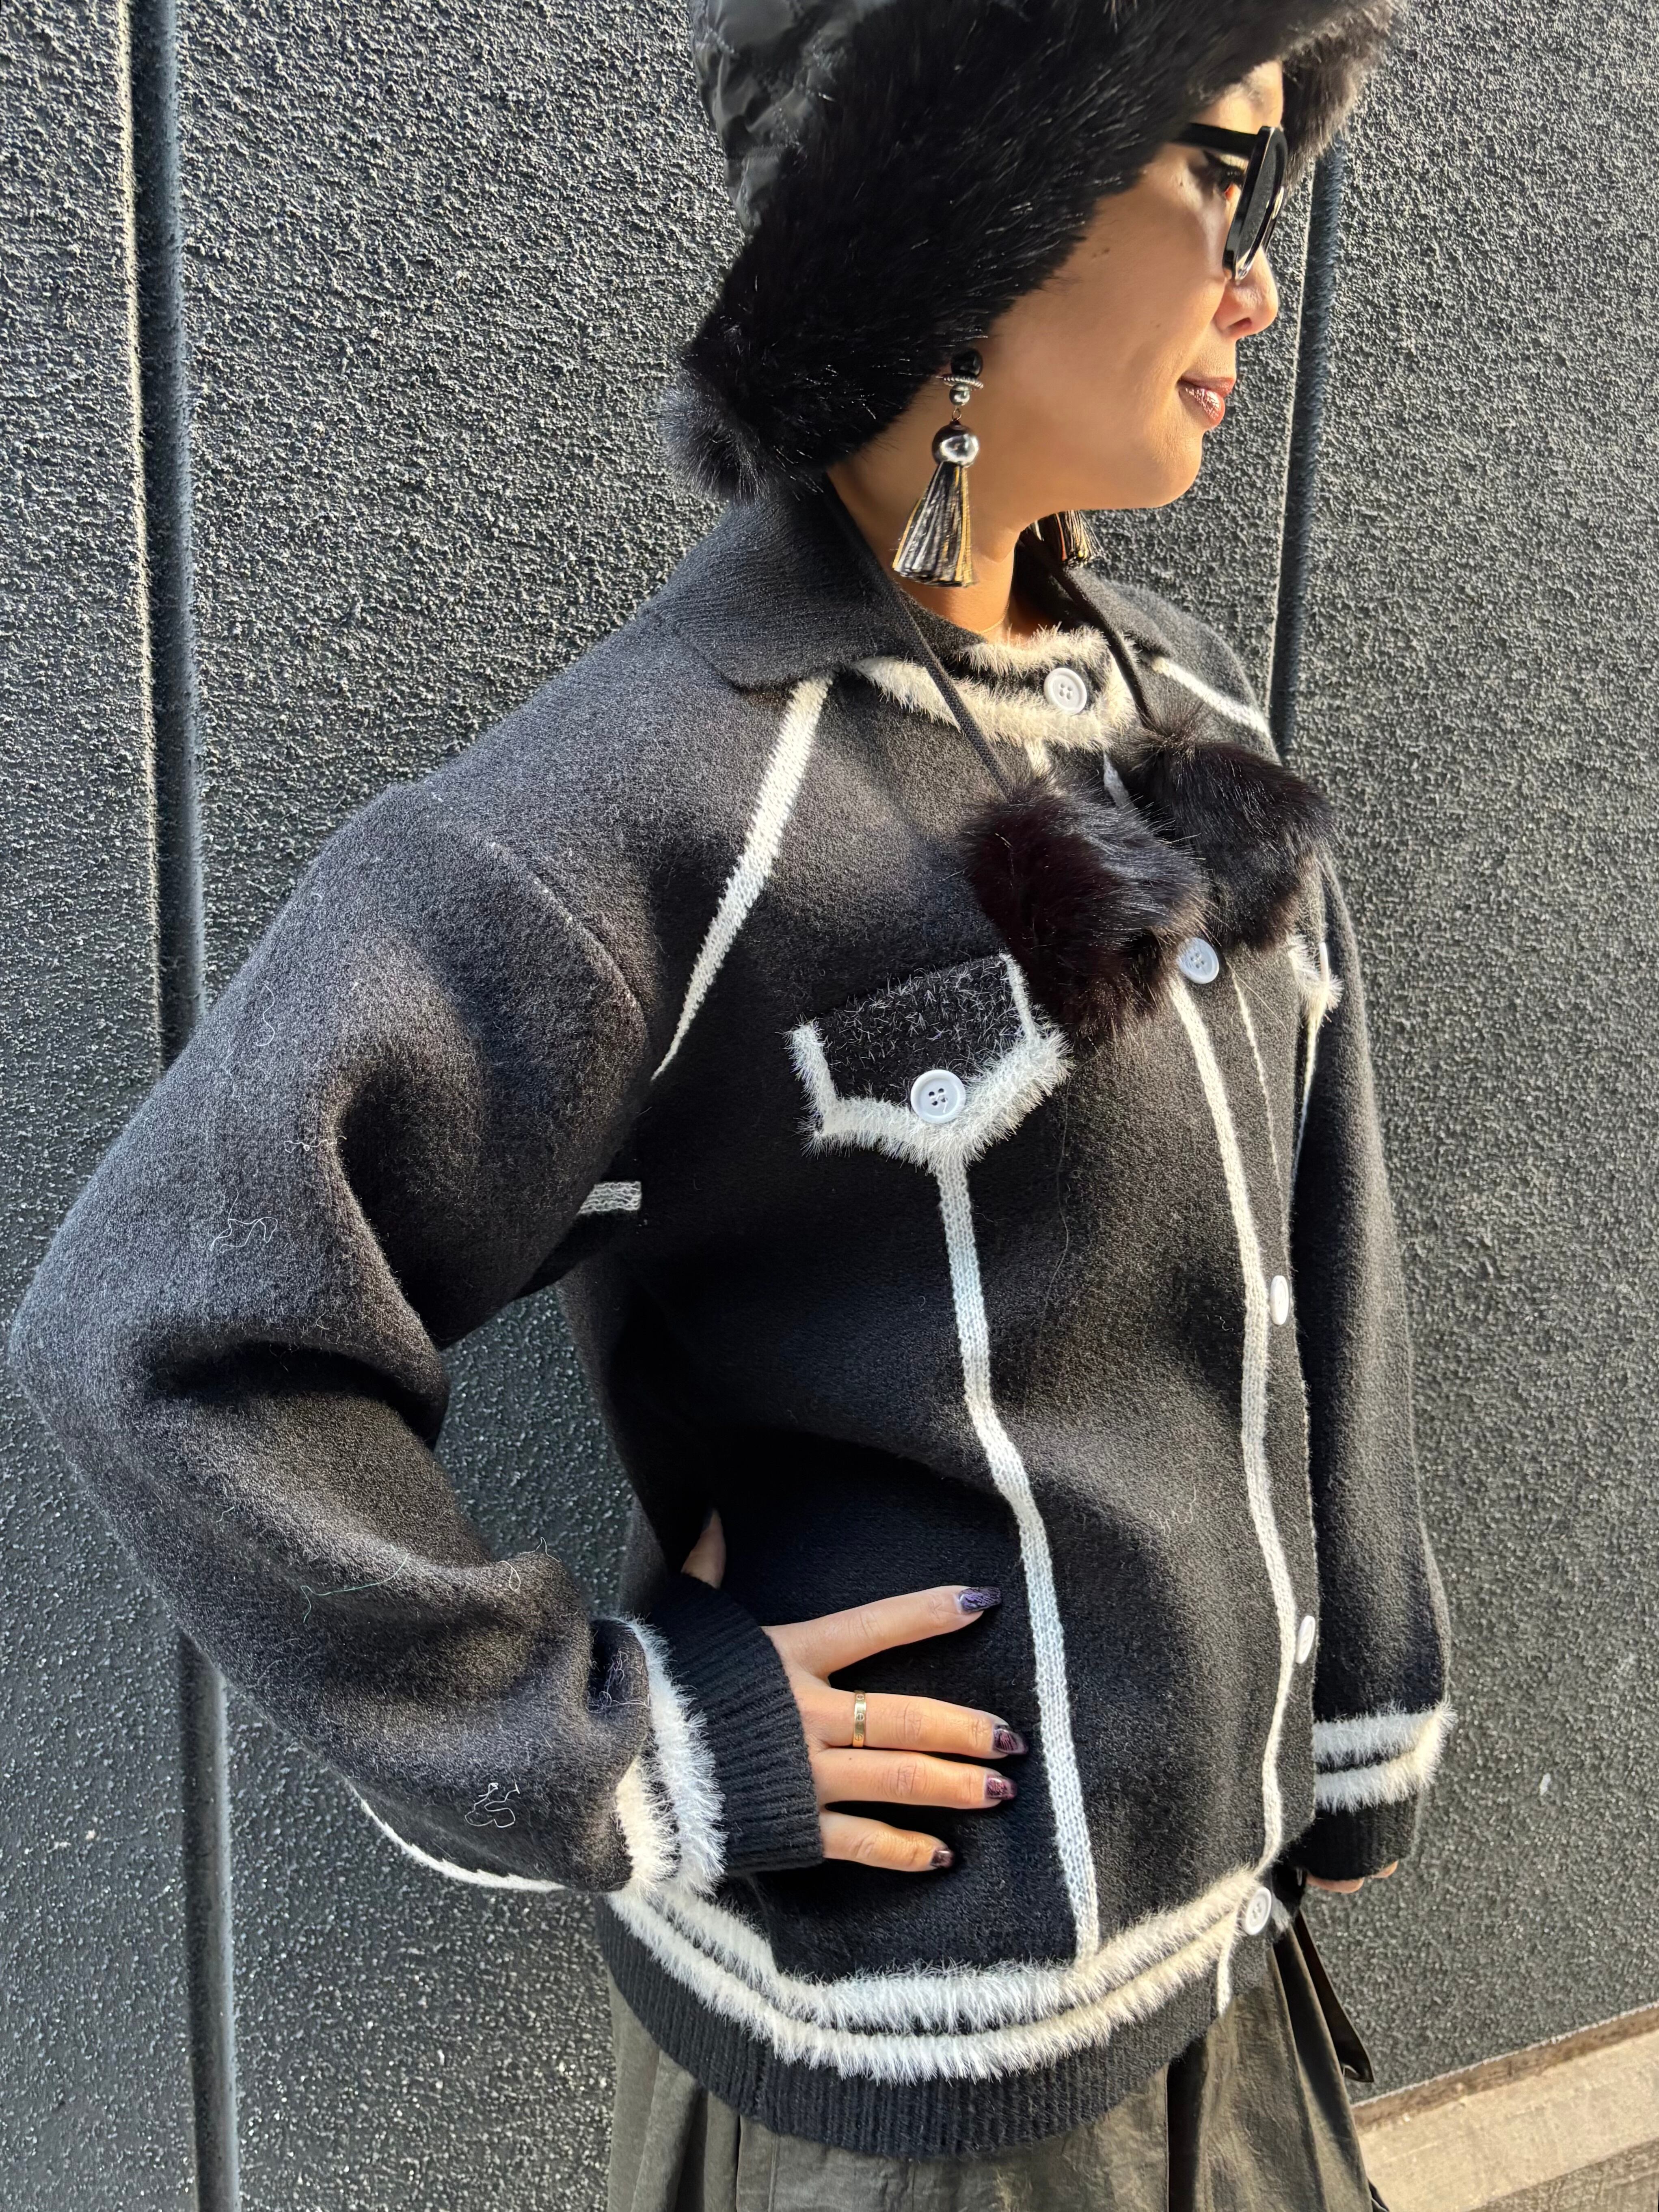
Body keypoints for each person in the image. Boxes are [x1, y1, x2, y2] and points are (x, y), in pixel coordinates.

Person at [11, 0, 1452, 2204]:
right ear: (978, 205)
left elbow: (1318, 1257)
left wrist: (1354, 1729)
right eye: (1220, 171)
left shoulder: (1177, 707)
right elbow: (166, 1329)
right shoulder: (671, 796)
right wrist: (605, 1742)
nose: (1259, 278)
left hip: (1228, 1977)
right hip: (910, 2070)